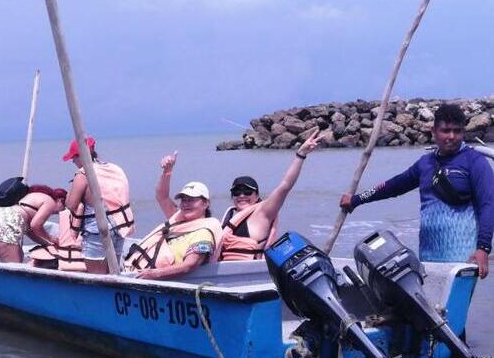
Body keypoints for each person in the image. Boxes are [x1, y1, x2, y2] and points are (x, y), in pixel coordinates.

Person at [340, 104, 492, 278]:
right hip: (428, 254)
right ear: (434, 131)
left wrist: (483, 249)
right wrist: (357, 200)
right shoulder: (425, 164)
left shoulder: (476, 162)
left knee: (454, 304)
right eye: (446, 130)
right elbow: (393, 186)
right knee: (430, 305)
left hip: (463, 258)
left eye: (457, 131)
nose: (451, 136)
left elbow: (488, 205)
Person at [219, 129, 323, 260]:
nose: (241, 195)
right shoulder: (228, 219)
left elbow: (284, 187)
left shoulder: (262, 213)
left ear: (257, 196)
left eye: (247, 192)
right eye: (236, 192)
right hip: (222, 276)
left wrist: (301, 154)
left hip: (247, 275)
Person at [125, 169, 223, 279]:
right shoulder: (177, 220)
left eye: (191, 200)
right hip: (134, 271)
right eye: (183, 200)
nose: (186, 204)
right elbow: (162, 197)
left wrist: (155, 273)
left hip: (162, 280)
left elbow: (190, 264)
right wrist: (167, 172)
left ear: (205, 203)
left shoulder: (205, 232)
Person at [63, 137, 135, 274]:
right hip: (119, 227)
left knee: (97, 277)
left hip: (97, 229)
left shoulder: (84, 174)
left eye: (74, 158)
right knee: (113, 273)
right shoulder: (113, 169)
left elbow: (71, 205)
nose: (73, 161)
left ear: (81, 156)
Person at [0, 185, 68, 263]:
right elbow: (36, 226)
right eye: (63, 208)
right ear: (61, 200)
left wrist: (48, 243)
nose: (58, 213)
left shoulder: (34, 197)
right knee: (14, 266)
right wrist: (51, 238)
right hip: (8, 221)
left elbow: (31, 232)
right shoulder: (50, 202)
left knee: (17, 258)